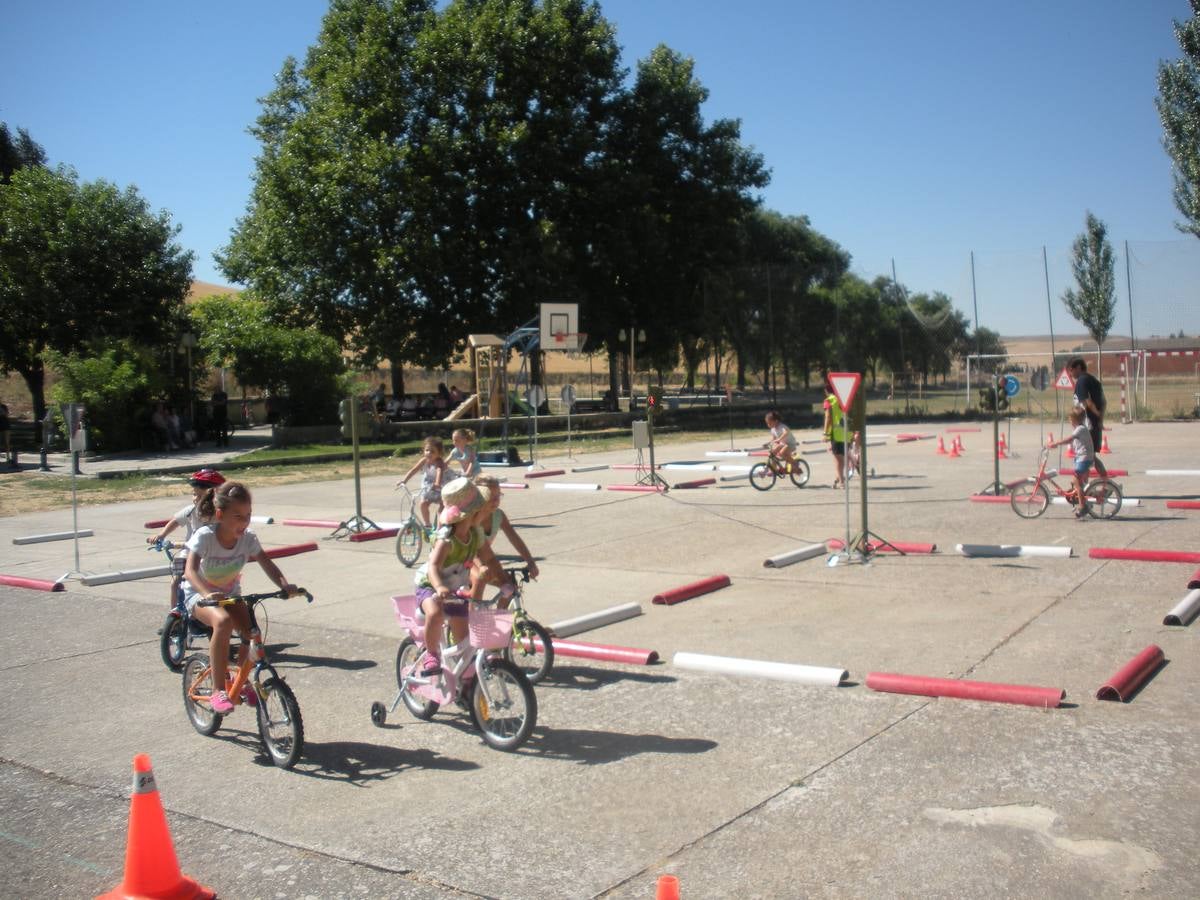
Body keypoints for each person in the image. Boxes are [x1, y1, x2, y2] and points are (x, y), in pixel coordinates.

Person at [183, 481, 297, 713]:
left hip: (230, 596)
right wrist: (207, 593)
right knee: (223, 622)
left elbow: (267, 564)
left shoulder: (248, 539)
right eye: (237, 516)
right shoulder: (205, 536)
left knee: (252, 632)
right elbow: (190, 571)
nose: (244, 522)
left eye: (248, 515)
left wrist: (285, 586)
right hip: (198, 596)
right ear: (219, 514)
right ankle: (218, 691)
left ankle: (241, 681)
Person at [412, 478, 508, 676]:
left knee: (464, 641)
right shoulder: (446, 539)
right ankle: (431, 654)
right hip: (430, 585)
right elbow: (434, 566)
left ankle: (463, 682)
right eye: (481, 508)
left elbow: (489, 558)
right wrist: (439, 587)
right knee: (436, 612)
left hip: (455, 590)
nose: (485, 512)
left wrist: (504, 580)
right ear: (470, 513)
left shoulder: (475, 534)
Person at [147, 469, 226, 609]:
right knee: (176, 583)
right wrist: (161, 535)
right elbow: (176, 521)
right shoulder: (191, 510)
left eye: (199, 495)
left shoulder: (219, 515)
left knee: (210, 586)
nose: (195, 498)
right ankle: (174, 615)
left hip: (209, 556)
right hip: (187, 553)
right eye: (194, 494)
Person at [473, 475, 539, 600]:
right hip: (464, 559)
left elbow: (514, 538)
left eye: (498, 496)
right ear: (479, 497)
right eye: (491, 497)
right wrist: (481, 565)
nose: (496, 501)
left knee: (510, 586)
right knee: (479, 579)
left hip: (485, 558)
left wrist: (530, 561)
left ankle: (500, 617)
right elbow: (471, 551)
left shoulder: (498, 515)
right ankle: (473, 619)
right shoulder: (471, 518)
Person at [1048, 408, 1095, 519]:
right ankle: (1084, 499)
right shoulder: (1080, 428)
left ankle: (1083, 507)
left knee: (1076, 482)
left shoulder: (1080, 429)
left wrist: (1055, 443)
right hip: (1082, 457)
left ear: (1075, 419)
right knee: (1078, 483)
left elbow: (1069, 439)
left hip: (1084, 458)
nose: (1069, 421)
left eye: (1070, 419)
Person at [397, 436, 447, 533]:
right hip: (428, 486)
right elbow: (413, 470)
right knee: (423, 504)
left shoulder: (439, 462)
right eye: (427, 450)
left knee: (442, 506)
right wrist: (404, 481)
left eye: (432, 451)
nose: (429, 453)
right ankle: (427, 524)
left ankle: (440, 527)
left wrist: (437, 483)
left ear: (439, 453)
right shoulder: (423, 460)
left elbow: (439, 472)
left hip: (440, 484)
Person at [1069, 357, 1108, 480]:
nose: (1071, 374)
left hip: (1087, 425)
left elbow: (1087, 402)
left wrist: (1096, 415)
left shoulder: (1082, 381)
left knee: (1086, 457)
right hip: (1094, 425)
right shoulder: (1094, 380)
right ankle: (1101, 483)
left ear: (1079, 368)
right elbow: (1104, 402)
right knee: (1091, 457)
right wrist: (1100, 420)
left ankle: (1084, 485)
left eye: (1072, 370)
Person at [822, 372, 848, 488]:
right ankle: (838, 477)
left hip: (836, 432)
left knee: (838, 457)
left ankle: (842, 482)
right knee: (840, 456)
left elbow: (828, 417)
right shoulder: (842, 398)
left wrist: (825, 433)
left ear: (827, 391)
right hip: (846, 430)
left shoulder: (829, 400)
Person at [0, 400, 12, 468]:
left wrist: (3, 412)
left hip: (6, 426)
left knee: (7, 443)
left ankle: (8, 457)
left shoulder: (3, 407)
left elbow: (7, 414)